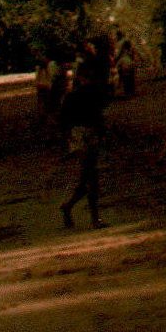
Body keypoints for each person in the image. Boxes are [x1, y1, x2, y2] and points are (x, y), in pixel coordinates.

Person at [59, 40, 111, 229]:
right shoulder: (82, 94)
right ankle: (94, 218)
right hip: (82, 134)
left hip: (85, 134)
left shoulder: (86, 92)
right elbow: (65, 120)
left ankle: (68, 207)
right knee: (91, 176)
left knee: (86, 178)